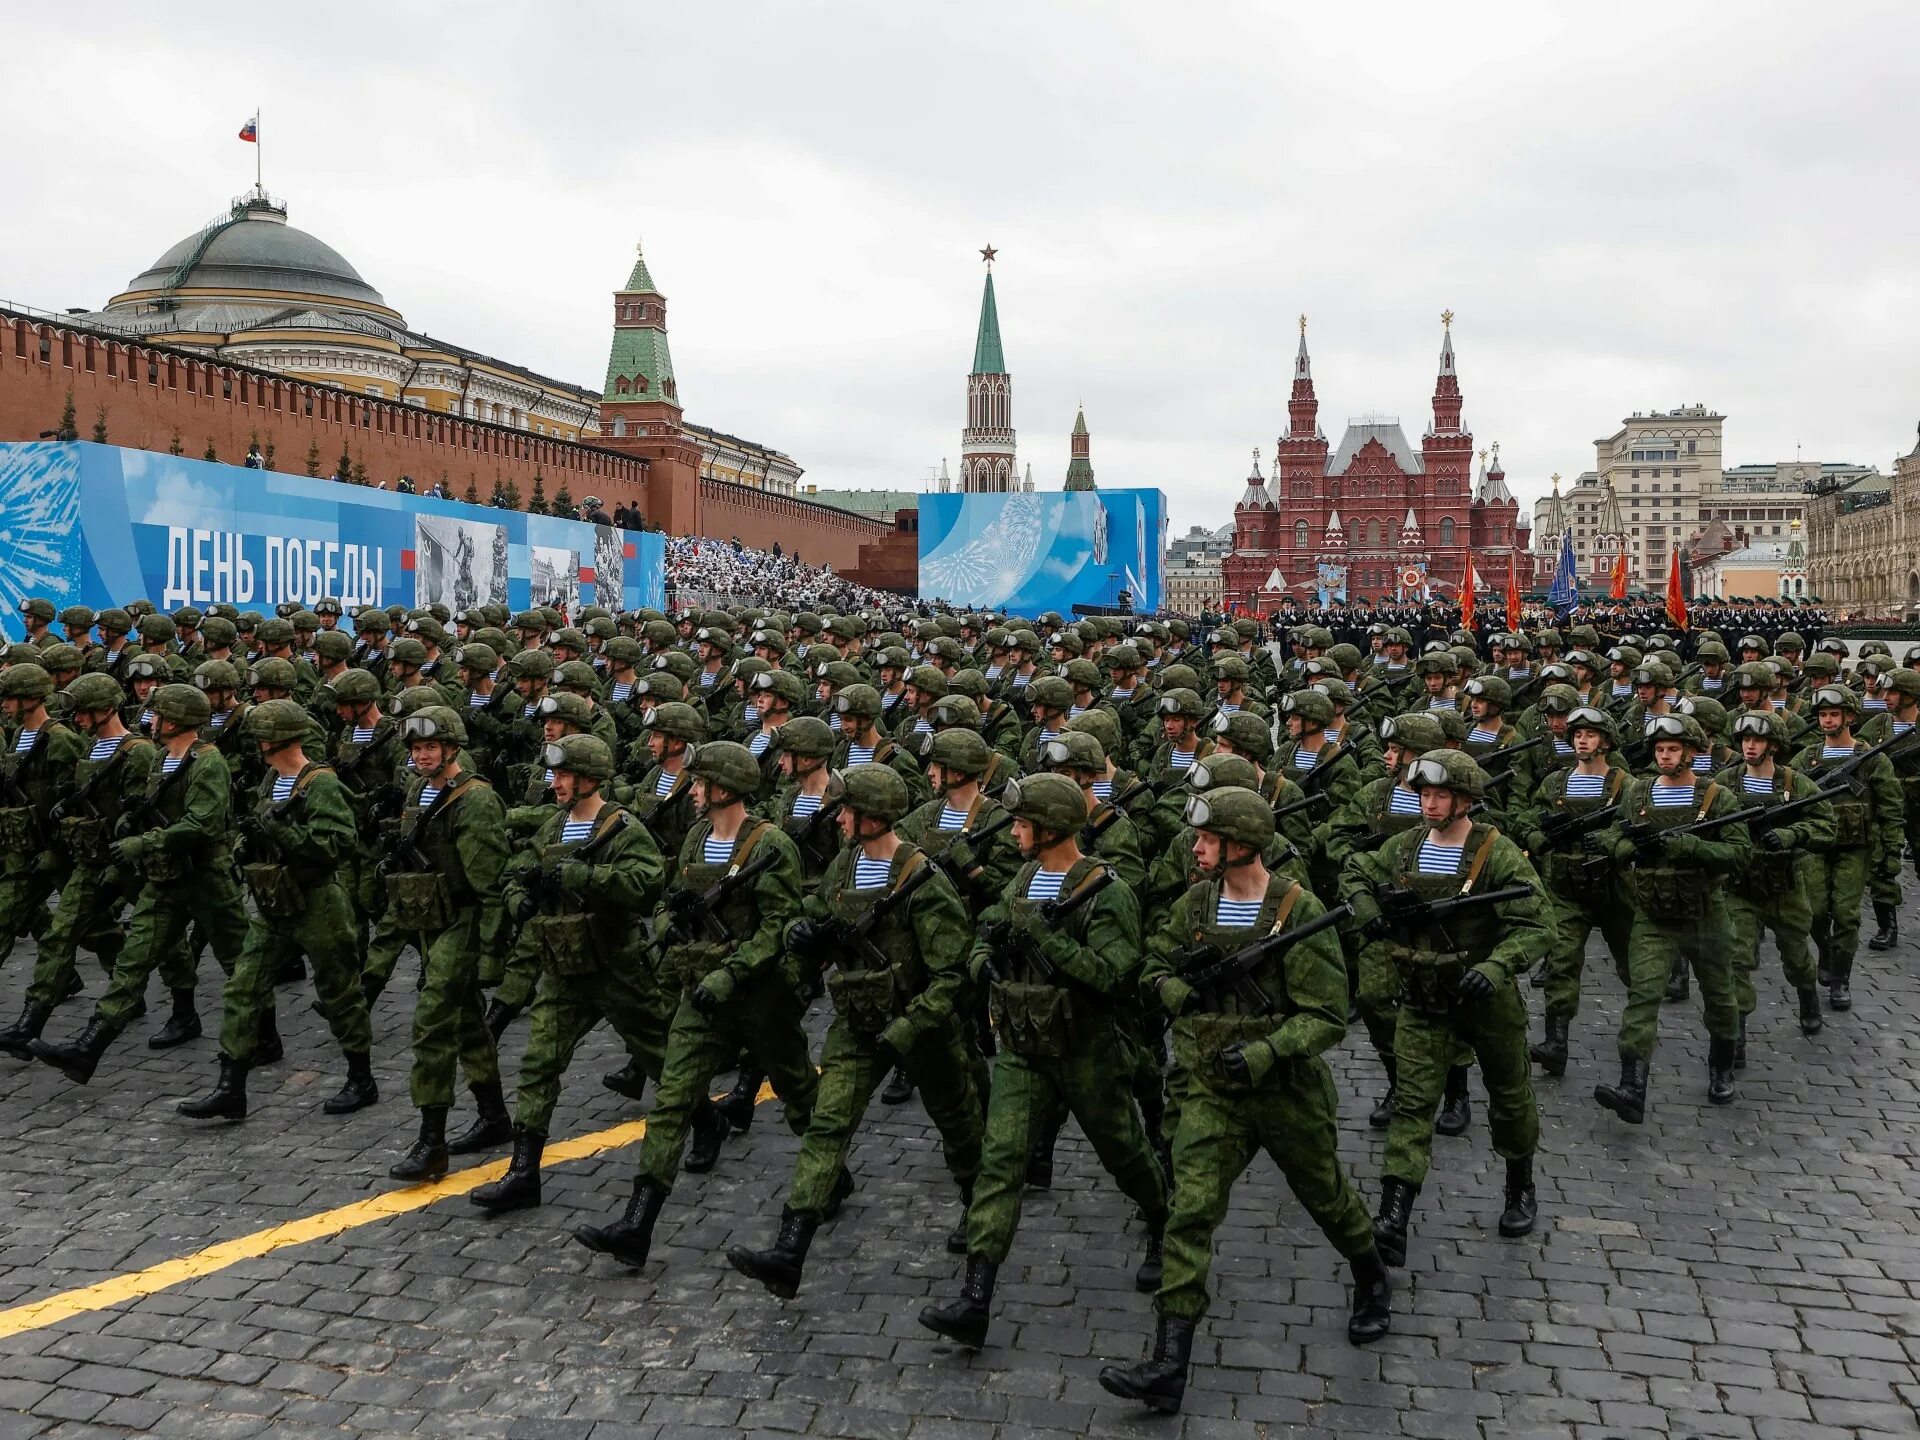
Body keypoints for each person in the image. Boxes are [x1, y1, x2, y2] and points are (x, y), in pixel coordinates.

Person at [1100, 785, 1390, 1413]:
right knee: (1191, 1212)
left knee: (1325, 1195)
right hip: (1211, 1088)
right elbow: (1153, 962)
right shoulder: (1196, 904)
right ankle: (1168, 1363)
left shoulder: (1297, 909)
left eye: (1207, 840)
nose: (1196, 849)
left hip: (1283, 1092)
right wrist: (1178, 993)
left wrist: (1265, 1051)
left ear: (1240, 845)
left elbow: (1327, 1016)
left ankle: (1370, 1275)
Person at [919, 774, 1168, 1351]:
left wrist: (1049, 942)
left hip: (1088, 1050)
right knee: (1000, 1162)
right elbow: (987, 934)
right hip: (1024, 1049)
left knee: (1125, 1153)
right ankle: (975, 1299)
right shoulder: (1026, 879)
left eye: (1026, 823)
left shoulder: (1106, 892)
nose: (1017, 833)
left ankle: (1161, 1219)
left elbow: (1114, 976)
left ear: (1052, 828)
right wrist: (990, 965)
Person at [728, 764, 983, 1297]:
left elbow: (952, 976)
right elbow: (818, 910)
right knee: (828, 1125)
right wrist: (804, 931)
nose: (839, 818)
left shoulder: (923, 882)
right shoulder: (845, 865)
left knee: (959, 1125)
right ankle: (790, 1248)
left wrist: (911, 1029)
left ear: (872, 817)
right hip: (857, 1021)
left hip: (920, 1026)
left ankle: (977, 1210)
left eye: (848, 811)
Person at [573, 742, 817, 1270]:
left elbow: (780, 926)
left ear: (724, 789)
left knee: (800, 1093)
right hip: (700, 996)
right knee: (672, 1103)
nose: (694, 789)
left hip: (759, 999)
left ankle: (831, 1175)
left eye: (702, 782)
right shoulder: (697, 838)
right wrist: (670, 921)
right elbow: (665, 901)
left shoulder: (770, 846)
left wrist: (731, 974)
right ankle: (637, 1224)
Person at [1340, 750, 1549, 1271]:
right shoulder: (1405, 847)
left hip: (1485, 1002)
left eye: (1440, 796)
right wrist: (1371, 915)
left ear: (1464, 800)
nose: (1429, 805)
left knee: (1509, 1095)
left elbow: (1538, 925)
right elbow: (1355, 871)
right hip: (1424, 1000)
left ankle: (1519, 1184)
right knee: (1412, 1104)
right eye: (1424, 795)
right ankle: (1393, 1215)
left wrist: (1499, 967)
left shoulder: (1496, 856)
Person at [471, 735, 671, 1214]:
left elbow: (648, 885)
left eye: (563, 776)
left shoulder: (622, 828)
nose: (555, 783)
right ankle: (523, 1172)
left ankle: (705, 1121)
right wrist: (519, 895)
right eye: (555, 776)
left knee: (662, 1057)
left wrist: (588, 879)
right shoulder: (556, 826)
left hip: (617, 969)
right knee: (540, 1063)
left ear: (588, 779)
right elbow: (516, 869)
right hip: (563, 969)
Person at [178, 700, 376, 1120]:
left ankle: (361, 1078)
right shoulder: (272, 779)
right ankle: (231, 1087)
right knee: (243, 987)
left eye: (261, 738)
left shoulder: (321, 784)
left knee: (339, 993)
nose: (257, 745)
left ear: (274, 739)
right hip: (274, 902)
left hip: (318, 902)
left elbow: (338, 845)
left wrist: (281, 830)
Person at [1591, 716, 1751, 1123]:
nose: (1664, 756)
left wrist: (1692, 846)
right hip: (1652, 912)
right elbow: (1609, 834)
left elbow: (1740, 853)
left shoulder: (1717, 799)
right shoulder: (1639, 792)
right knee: (1643, 995)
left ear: (1692, 753)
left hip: (1706, 912)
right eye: (1660, 749)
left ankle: (1722, 1066)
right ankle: (1632, 1084)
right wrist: (1628, 848)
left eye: (1673, 750)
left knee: (1719, 993)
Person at [383, 706, 512, 1181]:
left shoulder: (474, 801)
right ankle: (495, 1116)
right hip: (430, 918)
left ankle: (431, 1140)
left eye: (430, 747)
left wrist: (494, 953)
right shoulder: (420, 789)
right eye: (416, 749)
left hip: (463, 920)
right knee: (468, 1021)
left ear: (452, 749)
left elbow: (492, 888)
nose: (421, 756)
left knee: (433, 1023)